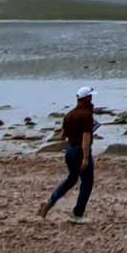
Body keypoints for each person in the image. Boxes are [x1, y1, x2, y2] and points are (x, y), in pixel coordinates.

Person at [42, 86, 96, 222]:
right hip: (80, 151)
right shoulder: (87, 115)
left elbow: (62, 135)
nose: (92, 99)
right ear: (86, 99)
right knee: (87, 183)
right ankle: (78, 214)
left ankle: (51, 200)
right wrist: (85, 158)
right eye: (90, 97)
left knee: (71, 179)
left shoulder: (69, 115)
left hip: (70, 151)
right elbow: (86, 138)